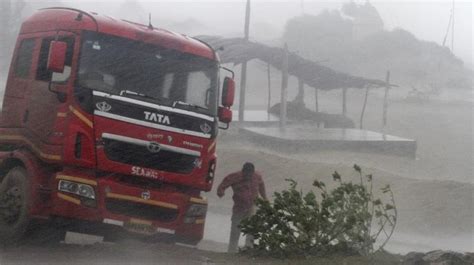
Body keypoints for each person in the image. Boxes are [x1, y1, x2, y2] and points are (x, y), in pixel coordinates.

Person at [217, 162, 267, 253]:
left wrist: (265, 198)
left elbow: (261, 186)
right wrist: (221, 191)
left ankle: (248, 248)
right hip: (239, 207)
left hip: (252, 206)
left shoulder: (257, 176)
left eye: (249, 174)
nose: (247, 176)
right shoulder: (235, 176)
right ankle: (231, 250)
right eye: (246, 173)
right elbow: (224, 183)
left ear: (252, 172)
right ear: (243, 171)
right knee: (235, 229)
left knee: (252, 228)